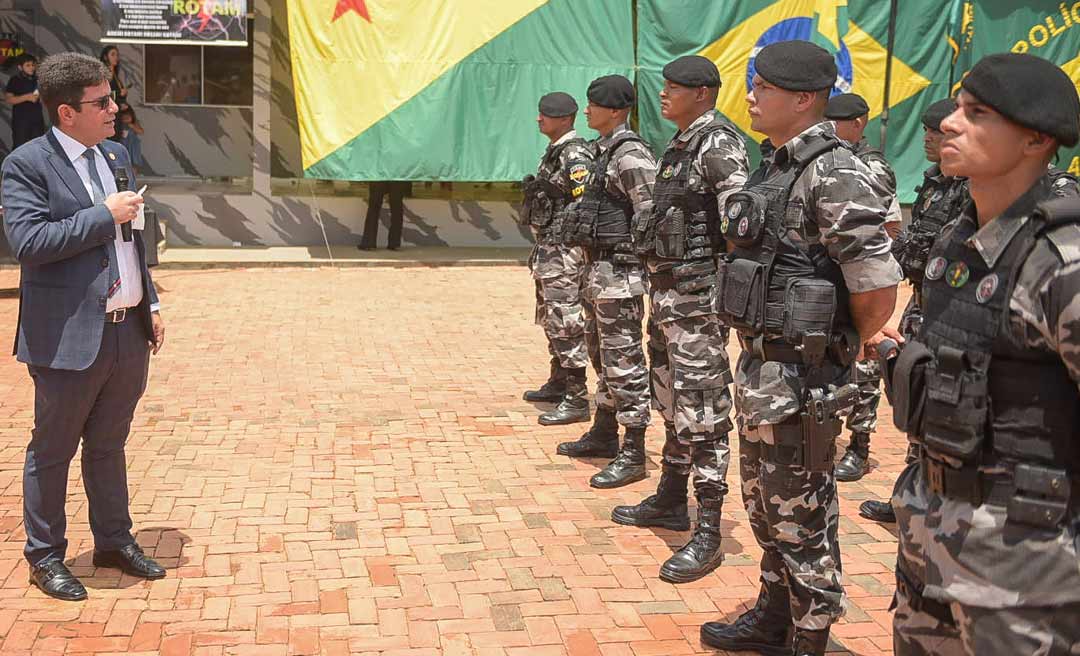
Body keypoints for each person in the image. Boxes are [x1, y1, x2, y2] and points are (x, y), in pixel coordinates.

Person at [699, 41, 900, 656]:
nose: (752, 96)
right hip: (764, 370)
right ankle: (772, 617)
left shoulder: (834, 171)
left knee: (803, 517)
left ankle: (809, 637)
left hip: (804, 379)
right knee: (764, 507)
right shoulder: (776, 165)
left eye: (762, 86)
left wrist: (842, 345)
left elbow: (875, 282)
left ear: (804, 99)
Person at [890, 53, 1080, 656]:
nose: (949, 123)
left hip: (1025, 581)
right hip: (932, 546)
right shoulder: (958, 238)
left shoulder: (1062, 263)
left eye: (977, 115)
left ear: (1034, 139)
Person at [1, 52, 166, 601]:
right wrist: (103, 215)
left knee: (109, 443)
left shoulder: (116, 154)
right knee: (52, 450)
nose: (114, 108)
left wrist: (152, 304)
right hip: (67, 336)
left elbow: (133, 238)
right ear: (67, 112)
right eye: (102, 102)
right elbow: (28, 244)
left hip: (127, 329)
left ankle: (114, 542)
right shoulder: (26, 164)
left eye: (111, 98)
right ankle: (45, 556)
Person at [610, 55, 748, 583]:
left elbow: (740, 224)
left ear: (704, 92)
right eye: (664, 87)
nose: (664, 95)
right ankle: (670, 497)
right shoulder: (680, 144)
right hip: (666, 298)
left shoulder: (719, 143)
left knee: (704, 409)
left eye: (675, 88)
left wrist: (718, 288)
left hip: (697, 302)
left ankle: (708, 527)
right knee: (669, 396)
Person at [859, 98, 965, 524]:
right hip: (922, 306)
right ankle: (911, 496)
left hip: (952, 314)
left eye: (937, 132)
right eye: (927, 131)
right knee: (914, 402)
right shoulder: (934, 182)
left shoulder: (972, 188)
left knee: (944, 411)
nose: (928, 138)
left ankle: (934, 506)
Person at [555, 75, 655, 484]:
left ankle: (633, 449)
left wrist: (636, 258)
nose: (587, 110)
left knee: (624, 362)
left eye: (594, 104)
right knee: (602, 356)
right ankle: (604, 431)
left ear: (615, 110)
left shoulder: (631, 155)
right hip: (597, 273)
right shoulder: (603, 151)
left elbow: (651, 214)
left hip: (621, 276)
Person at [823, 92, 903, 483]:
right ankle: (830, 434)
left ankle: (860, 444)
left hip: (863, 275)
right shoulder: (826, 160)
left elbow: (882, 226)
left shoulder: (872, 167)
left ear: (859, 123)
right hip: (832, 277)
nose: (832, 128)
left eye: (839, 121)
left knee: (866, 362)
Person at [518, 92, 592, 425]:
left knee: (566, 320)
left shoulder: (574, 153)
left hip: (564, 250)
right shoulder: (556, 151)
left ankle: (576, 397)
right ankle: (559, 380)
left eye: (546, 114)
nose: (539, 119)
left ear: (565, 119)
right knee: (551, 318)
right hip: (549, 249)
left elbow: (584, 200)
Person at [4, 53, 46, 149]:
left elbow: (41, 97)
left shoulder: (37, 79)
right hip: (21, 121)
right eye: (28, 65)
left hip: (37, 119)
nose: (31, 68)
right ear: (20, 67)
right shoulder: (15, 80)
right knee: (20, 147)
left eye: (33, 65)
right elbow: (9, 99)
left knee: (38, 147)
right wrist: (26, 97)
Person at [358, 181, 411, 251]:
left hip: (380, 175)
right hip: (396, 176)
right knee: (397, 207)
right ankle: (394, 243)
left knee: (374, 207)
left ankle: (369, 242)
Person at [99, 46, 128, 140]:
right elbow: (104, 94)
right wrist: (119, 94)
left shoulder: (116, 75)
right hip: (106, 112)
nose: (116, 57)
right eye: (113, 54)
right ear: (105, 57)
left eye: (117, 55)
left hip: (117, 113)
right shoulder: (102, 75)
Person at [115, 106, 145, 171]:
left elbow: (141, 131)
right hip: (123, 145)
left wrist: (133, 126)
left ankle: (133, 175)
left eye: (128, 117)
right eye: (124, 118)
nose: (125, 119)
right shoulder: (120, 125)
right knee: (123, 161)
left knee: (134, 162)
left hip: (133, 146)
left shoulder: (134, 124)